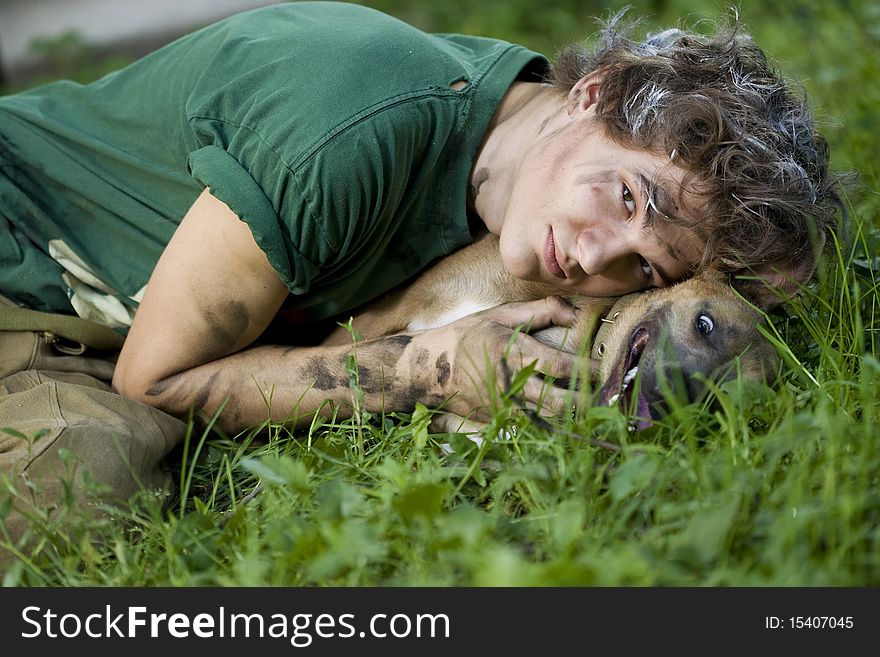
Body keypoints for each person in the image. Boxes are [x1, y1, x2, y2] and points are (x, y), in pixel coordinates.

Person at [0, 2, 842, 561]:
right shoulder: (348, 127)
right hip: (30, 282)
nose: (596, 261)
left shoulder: (525, 176)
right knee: (71, 498)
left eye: (646, 265)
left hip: (104, 310)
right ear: (594, 92)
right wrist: (425, 369)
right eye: (626, 195)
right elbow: (156, 378)